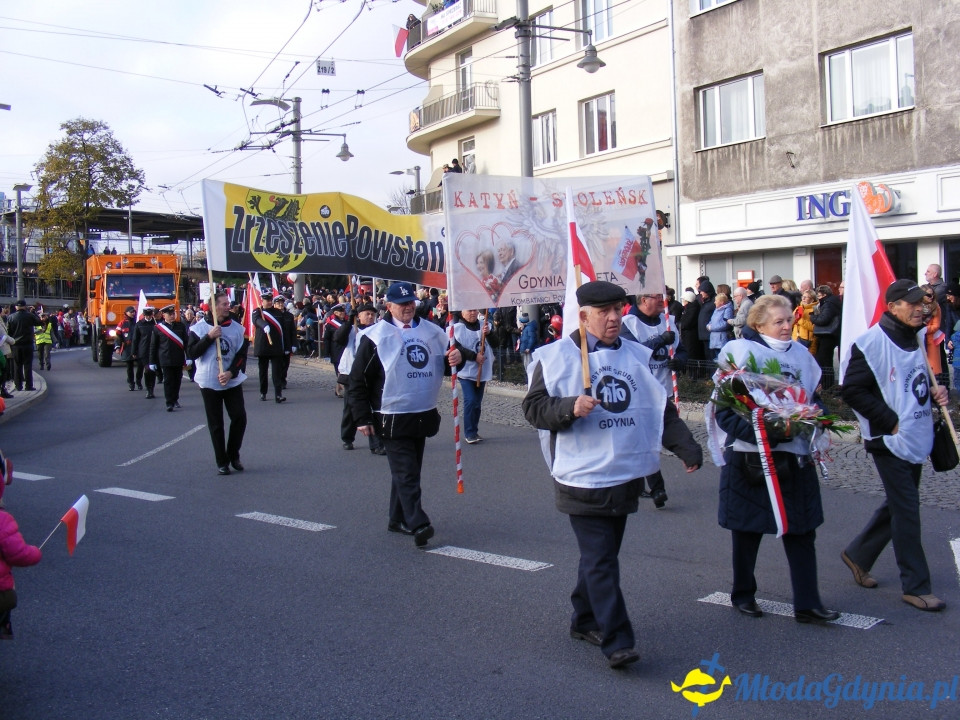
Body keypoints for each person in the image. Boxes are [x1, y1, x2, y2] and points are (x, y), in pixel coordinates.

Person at [522, 281, 701, 669]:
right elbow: (535, 409)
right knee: (603, 560)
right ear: (583, 315)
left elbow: (659, 409)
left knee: (600, 557)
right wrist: (570, 406)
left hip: (625, 475)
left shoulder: (636, 354)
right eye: (604, 312)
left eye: (618, 310)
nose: (615, 318)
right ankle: (617, 640)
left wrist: (685, 446)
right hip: (581, 477)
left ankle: (583, 618)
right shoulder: (555, 357)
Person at [709, 294, 839, 624]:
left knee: (802, 530)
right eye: (778, 321)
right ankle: (743, 593)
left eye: (789, 320)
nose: (787, 325)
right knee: (748, 530)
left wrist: (815, 418)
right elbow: (725, 414)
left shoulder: (802, 356)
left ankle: (808, 603)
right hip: (753, 458)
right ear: (759, 324)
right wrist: (768, 431)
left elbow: (813, 399)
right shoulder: (739, 354)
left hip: (795, 457)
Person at [841, 279, 949, 612]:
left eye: (923, 304)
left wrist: (938, 392)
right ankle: (916, 586)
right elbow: (852, 391)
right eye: (913, 304)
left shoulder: (915, 337)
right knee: (906, 508)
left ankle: (858, 554)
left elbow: (918, 381)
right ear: (893, 307)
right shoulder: (870, 343)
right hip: (888, 439)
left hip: (914, 434)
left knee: (899, 504)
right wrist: (891, 421)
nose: (921, 309)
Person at [347, 281, 462, 548]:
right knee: (406, 472)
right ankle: (417, 521)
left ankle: (396, 518)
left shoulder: (432, 331)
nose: (408, 307)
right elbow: (357, 380)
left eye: (411, 302)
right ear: (388, 307)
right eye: (402, 304)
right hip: (391, 414)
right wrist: (361, 417)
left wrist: (457, 358)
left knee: (409, 470)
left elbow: (448, 362)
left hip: (421, 412)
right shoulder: (375, 336)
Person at [620, 291, 683, 508]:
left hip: (663, 391)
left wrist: (680, 362)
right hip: (640, 392)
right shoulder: (628, 323)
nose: (661, 301)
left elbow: (681, 350)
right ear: (643, 300)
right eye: (656, 296)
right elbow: (631, 353)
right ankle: (657, 488)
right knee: (646, 441)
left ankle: (644, 483)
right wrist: (659, 340)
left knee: (654, 438)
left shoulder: (669, 321)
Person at [186, 292, 249, 476]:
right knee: (216, 424)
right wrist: (208, 337)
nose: (227, 306)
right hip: (209, 381)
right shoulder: (198, 329)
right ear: (213, 307)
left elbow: (241, 356)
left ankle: (233, 454)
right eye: (223, 304)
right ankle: (222, 461)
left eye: (227, 303)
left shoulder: (237, 329)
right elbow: (192, 353)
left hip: (231, 380)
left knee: (239, 417)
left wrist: (231, 372)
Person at [0, 452, 42, 639]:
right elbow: (18, 554)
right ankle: (3, 626)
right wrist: (34, 553)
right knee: (7, 599)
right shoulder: (2, 521)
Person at [337, 303, 386, 455]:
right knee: (351, 408)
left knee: (373, 409)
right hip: (352, 374)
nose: (370, 316)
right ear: (359, 316)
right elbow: (338, 339)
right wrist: (348, 321)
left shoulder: (378, 331)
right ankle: (347, 437)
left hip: (371, 374)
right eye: (366, 314)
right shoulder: (352, 329)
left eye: (372, 314)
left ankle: (376, 444)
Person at [454, 308, 497, 444]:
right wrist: (474, 356)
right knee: (470, 400)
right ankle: (469, 432)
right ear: (462, 312)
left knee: (477, 404)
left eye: (474, 311)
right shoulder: (458, 329)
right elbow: (457, 348)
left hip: (481, 370)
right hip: (466, 371)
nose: (472, 313)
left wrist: (489, 334)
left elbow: (496, 343)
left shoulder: (484, 325)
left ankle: (474, 429)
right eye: (469, 311)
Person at [151, 304, 188, 412]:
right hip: (165, 358)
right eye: (170, 314)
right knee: (168, 381)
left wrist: (189, 356)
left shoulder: (180, 326)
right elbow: (154, 346)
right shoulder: (158, 328)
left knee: (177, 380)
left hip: (178, 358)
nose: (172, 316)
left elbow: (186, 342)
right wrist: (152, 361)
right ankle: (169, 402)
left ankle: (175, 398)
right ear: (164, 315)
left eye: (173, 314)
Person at [253, 293, 287, 403]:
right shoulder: (257, 311)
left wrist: (287, 345)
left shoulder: (277, 312)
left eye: (270, 300)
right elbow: (256, 320)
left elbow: (283, 330)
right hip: (263, 346)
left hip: (275, 346)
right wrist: (264, 325)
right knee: (263, 371)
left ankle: (278, 394)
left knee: (277, 372)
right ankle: (263, 392)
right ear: (262, 301)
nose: (269, 302)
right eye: (266, 300)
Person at [809, 284, 842, 389]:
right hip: (829, 335)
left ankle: (827, 385)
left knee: (824, 361)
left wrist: (812, 317)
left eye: (818, 295)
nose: (818, 298)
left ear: (824, 295)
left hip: (828, 335)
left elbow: (823, 319)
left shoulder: (829, 304)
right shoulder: (831, 302)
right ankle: (826, 384)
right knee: (824, 360)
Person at [5, 301, 41, 392]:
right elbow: (39, 322)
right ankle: (29, 385)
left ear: (16, 307)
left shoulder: (11, 317)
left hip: (15, 344)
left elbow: (8, 332)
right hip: (27, 344)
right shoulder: (29, 315)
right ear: (25, 307)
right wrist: (33, 312)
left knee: (17, 365)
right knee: (28, 365)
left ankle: (18, 385)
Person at [131, 307, 158, 397]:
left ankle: (152, 389)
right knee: (147, 370)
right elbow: (135, 339)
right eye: (147, 315)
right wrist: (134, 351)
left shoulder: (156, 324)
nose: (148, 317)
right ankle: (148, 389)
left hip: (154, 351)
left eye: (150, 315)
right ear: (144, 315)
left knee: (153, 371)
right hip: (144, 351)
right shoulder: (139, 324)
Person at [115, 305, 138, 390]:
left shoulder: (138, 322)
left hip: (137, 347)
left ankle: (138, 380)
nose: (133, 313)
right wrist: (117, 347)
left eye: (134, 312)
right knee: (129, 366)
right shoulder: (122, 323)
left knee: (141, 365)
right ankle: (131, 383)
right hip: (127, 348)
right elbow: (118, 336)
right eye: (131, 312)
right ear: (126, 313)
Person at [706, 292, 734, 361]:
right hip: (714, 339)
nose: (714, 302)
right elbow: (711, 321)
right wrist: (708, 325)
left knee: (723, 360)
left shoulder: (727, 310)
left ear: (721, 302)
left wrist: (712, 328)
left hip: (721, 339)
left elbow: (725, 324)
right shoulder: (716, 310)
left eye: (716, 301)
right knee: (716, 360)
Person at [791, 289, 819, 355]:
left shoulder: (815, 309)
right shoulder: (799, 308)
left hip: (808, 342)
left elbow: (814, 327)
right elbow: (791, 323)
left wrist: (800, 320)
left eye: (806, 297)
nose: (803, 298)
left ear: (812, 299)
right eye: (802, 296)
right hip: (795, 339)